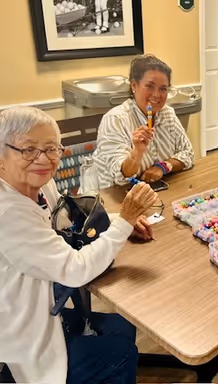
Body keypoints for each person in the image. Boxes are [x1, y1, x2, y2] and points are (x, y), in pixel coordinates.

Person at [0, 107, 158, 383]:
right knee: (121, 351)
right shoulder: (8, 213)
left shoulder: (39, 186)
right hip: (21, 330)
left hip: (47, 300)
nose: (44, 159)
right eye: (28, 149)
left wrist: (122, 221)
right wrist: (125, 222)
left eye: (52, 149)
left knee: (123, 326)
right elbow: (75, 269)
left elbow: (68, 221)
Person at [93, 54, 194, 189]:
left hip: (155, 191)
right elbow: (122, 178)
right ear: (134, 86)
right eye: (150, 86)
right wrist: (137, 153)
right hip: (112, 197)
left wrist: (163, 167)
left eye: (163, 89)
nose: (157, 95)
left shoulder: (167, 114)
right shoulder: (115, 120)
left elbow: (188, 153)